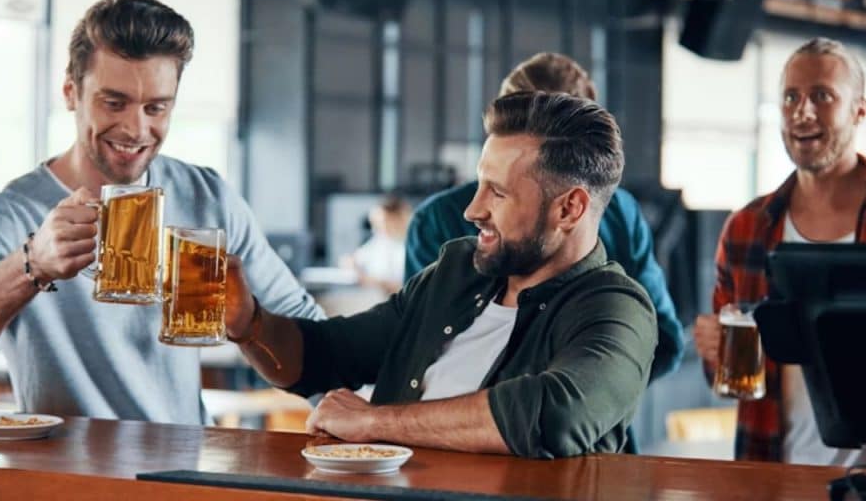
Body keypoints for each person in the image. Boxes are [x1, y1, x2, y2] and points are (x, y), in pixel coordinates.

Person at [226, 92, 658, 459]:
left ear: (570, 208)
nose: (473, 210)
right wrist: (248, 324)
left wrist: (373, 422)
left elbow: (554, 416)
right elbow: (323, 355)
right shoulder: (455, 275)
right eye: (479, 185)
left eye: (499, 192)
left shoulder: (617, 308)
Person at [0, 0, 321, 424]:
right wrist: (31, 265)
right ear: (70, 92)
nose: (136, 129)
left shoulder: (206, 197)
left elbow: (311, 335)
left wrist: (366, 424)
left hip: (188, 473)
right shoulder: (10, 215)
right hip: (67, 480)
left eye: (156, 107)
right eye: (113, 103)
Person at [693, 37, 866, 464]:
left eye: (822, 96)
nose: (802, 112)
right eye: (791, 97)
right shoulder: (746, 227)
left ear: (860, 109)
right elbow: (728, 379)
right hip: (769, 473)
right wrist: (713, 350)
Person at [404, 52, 683, 381]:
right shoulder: (437, 221)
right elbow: (417, 345)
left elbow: (663, 340)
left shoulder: (621, 212)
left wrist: (595, 397)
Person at [341, 193, 412, 296]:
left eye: (381, 222)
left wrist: (369, 280)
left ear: (399, 217)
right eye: (374, 223)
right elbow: (353, 260)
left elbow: (404, 287)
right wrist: (351, 263)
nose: (375, 228)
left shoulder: (413, 245)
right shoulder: (381, 240)